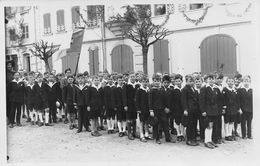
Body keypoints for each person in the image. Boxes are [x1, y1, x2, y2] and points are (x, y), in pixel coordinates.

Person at [149, 74, 175, 144]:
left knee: (165, 122)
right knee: (156, 124)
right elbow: (150, 102)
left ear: (160, 81)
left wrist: (166, 107)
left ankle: (168, 137)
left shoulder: (162, 90)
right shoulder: (152, 91)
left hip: (162, 109)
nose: (157, 82)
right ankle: (157, 138)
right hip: (155, 110)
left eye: (158, 81)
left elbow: (164, 100)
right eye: (155, 81)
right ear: (153, 82)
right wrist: (151, 110)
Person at [200, 74, 219, 149]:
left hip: (214, 110)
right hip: (207, 110)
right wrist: (203, 111)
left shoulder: (215, 88)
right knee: (208, 125)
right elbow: (201, 101)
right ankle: (206, 141)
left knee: (211, 125)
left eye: (213, 79)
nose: (211, 80)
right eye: (209, 79)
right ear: (207, 80)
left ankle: (210, 140)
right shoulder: (204, 88)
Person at [181, 75, 200, 146]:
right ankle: (189, 139)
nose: (192, 83)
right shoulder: (185, 89)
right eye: (190, 81)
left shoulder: (194, 89)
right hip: (189, 110)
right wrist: (185, 109)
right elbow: (183, 101)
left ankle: (193, 138)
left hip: (194, 110)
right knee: (189, 125)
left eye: (193, 81)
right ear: (186, 82)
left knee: (194, 124)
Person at [136, 76, 153, 142]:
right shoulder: (139, 90)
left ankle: (146, 134)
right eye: (143, 82)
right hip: (141, 109)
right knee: (141, 122)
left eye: (146, 82)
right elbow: (137, 101)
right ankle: (141, 135)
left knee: (146, 121)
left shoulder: (148, 90)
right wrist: (138, 109)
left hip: (147, 109)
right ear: (141, 82)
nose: (145, 83)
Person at [223, 77, 239, 141]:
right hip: (227, 108)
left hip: (233, 108)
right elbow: (223, 100)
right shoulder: (225, 90)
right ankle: (226, 135)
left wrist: (237, 108)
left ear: (234, 82)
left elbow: (236, 100)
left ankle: (230, 134)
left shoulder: (234, 90)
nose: (230, 82)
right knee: (226, 121)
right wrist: (223, 107)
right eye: (229, 81)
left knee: (231, 121)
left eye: (232, 81)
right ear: (227, 82)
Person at [123, 74, 138, 140]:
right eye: (131, 77)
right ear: (129, 78)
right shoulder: (126, 85)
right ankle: (129, 133)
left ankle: (134, 132)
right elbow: (124, 96)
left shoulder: (137, 85)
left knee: (134, 118)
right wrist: (125, 105)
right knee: (129, 118)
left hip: (135, 105)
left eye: (133, 77)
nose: (132, 78)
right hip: (129, 105)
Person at [172, 74, 185, 142]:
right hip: (176, 108)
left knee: (182, 121)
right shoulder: (174, 90)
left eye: (179, 81)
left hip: (183, 108)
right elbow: (172, 100)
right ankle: (178, 134)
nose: (178, 82)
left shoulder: (184, 89)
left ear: (182, 81)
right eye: (176, 81)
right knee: (177, 121)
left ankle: (182, 133)